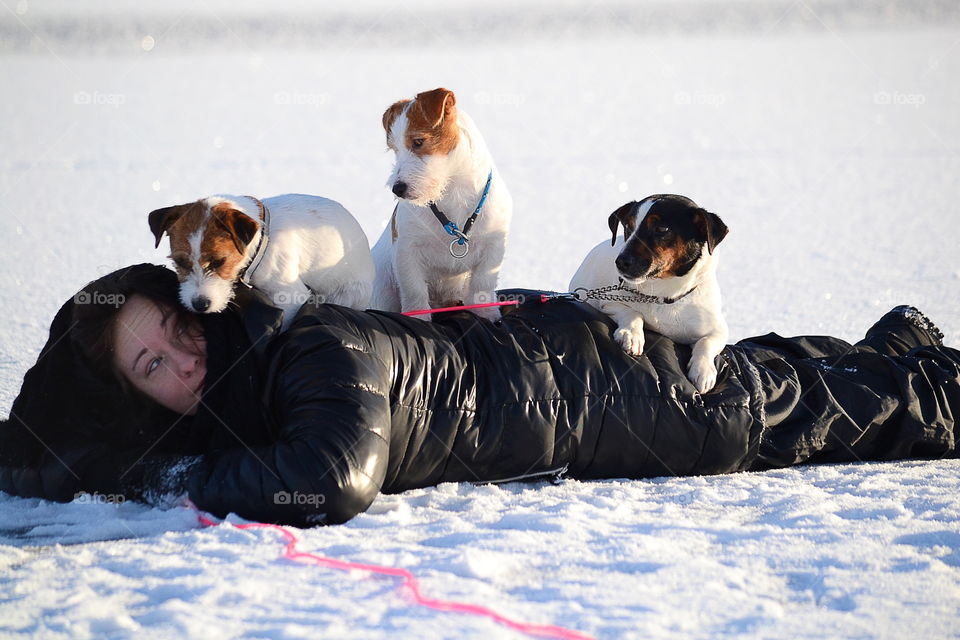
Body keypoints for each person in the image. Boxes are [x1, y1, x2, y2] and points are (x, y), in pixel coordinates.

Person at [1, 264, 957, 527]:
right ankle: (891, 347)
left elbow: (332, 479)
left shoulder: (317, 347)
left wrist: (189, 485)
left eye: (177, 331)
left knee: (829, 408)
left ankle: (923, 377)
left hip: (633, 407)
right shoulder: (254, 394)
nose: (183, 361)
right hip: (571, 358)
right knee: (782, 371)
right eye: (151, 370)